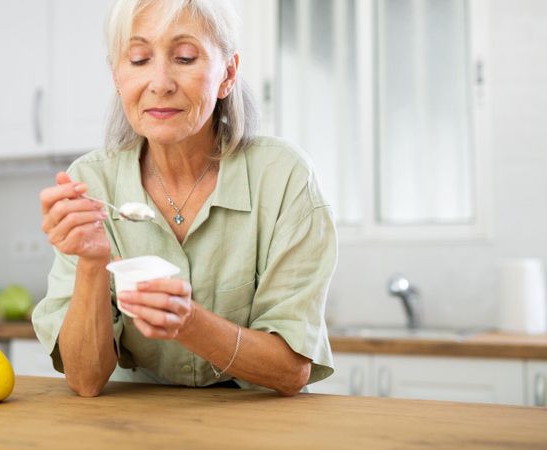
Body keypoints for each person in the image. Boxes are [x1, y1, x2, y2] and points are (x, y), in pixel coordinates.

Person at [33, 0, 336, 397]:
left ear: (227, 74)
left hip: (258, 423)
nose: (160, 82)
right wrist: (92, 264)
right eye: (139, 59)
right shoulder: (90, 183)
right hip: (131, 427)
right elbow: (85, 380)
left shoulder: (283, 177)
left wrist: (189, 324)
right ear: (117, 77)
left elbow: (290, 371)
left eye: (185, 57)